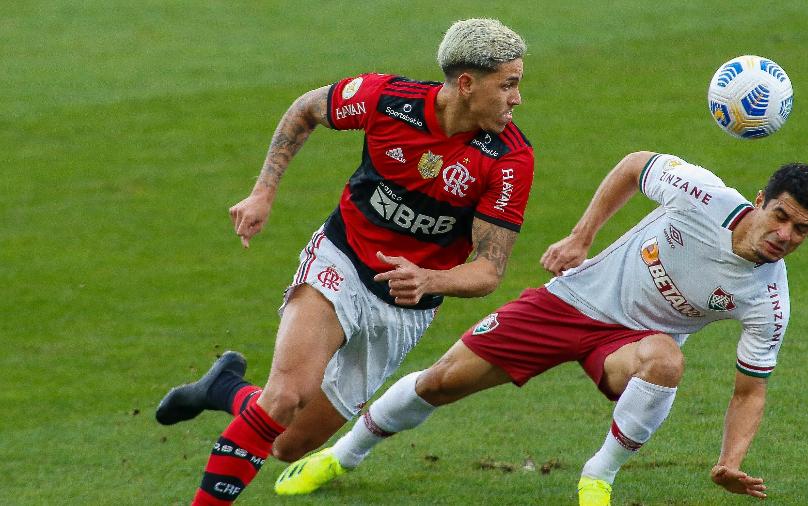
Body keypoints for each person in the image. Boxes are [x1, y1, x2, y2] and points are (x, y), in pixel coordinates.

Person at [273, 151, 808, 505]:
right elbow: (635, 165)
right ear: (760, 202)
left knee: (666, 359)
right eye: (779, 216)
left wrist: (730, 461)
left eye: (801, 230)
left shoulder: (769, 300)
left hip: (628, 345)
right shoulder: (703, 195)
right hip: (569, 301)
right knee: (440, 382)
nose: (785, 235)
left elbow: (750, 389)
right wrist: (582, 236)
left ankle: (598, 477)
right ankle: (343, 455)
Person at [154, 18, 534, 505]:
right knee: (286, 396)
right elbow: (304, 110)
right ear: (466, 84)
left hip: (403, 307)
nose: (516, 98)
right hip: (342, 262)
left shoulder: (508, 159)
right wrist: (263, 192)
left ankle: (224, 388)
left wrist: (428, 278)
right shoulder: (385, 100)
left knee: (286, 443)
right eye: (508, 84)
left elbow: (489, 270)